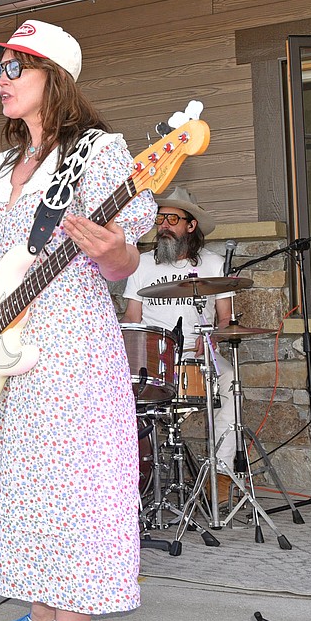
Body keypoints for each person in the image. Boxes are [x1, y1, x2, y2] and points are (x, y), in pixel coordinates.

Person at [0, 20, 154, 621]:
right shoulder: (5, 166)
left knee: (72, 495)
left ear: (54, 80)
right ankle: (42, 614)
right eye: (1, 68)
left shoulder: (98, 152)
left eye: (16, 68)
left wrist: (114, 253)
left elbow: (123, 252)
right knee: (16, 487)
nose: (2, 79)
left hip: (70, 352)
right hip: (9, 354)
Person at [122, 186, 236, 500]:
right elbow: (132, 318)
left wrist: (211, 335)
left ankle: (221, 474)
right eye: (160, 219)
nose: (164, 225)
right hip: (153, 357)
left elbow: (225, 319)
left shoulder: (214, 265)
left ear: (191, 225)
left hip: (196, 354)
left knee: (230, 380)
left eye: (173, 218)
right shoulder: (140, 264)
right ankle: (127, 478)